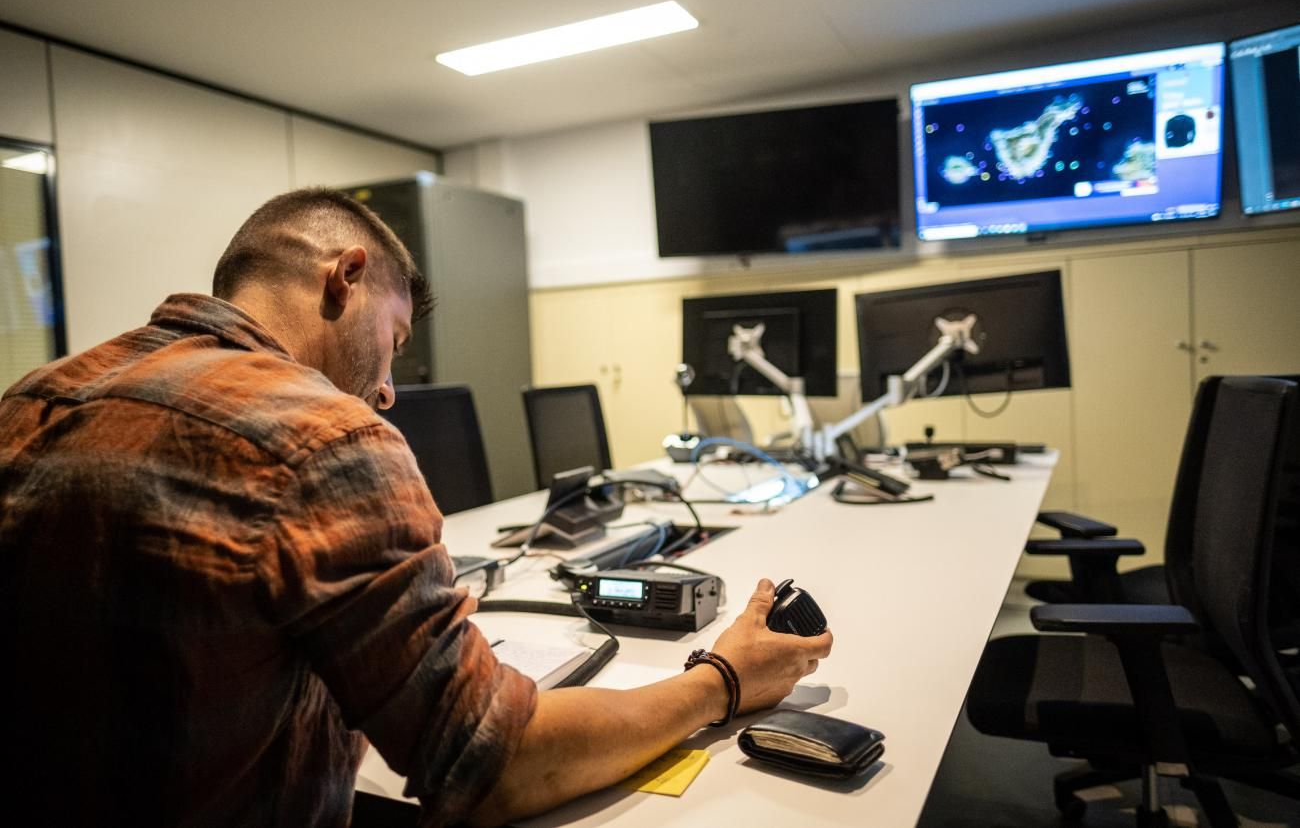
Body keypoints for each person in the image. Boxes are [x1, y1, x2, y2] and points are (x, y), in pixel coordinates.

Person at [0, 188, 833, 827]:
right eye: (395, 340)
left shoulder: (30, 396)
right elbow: (499, 769)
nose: (391, 388)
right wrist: (722, 682)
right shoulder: (323, 431)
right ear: (346, 275)